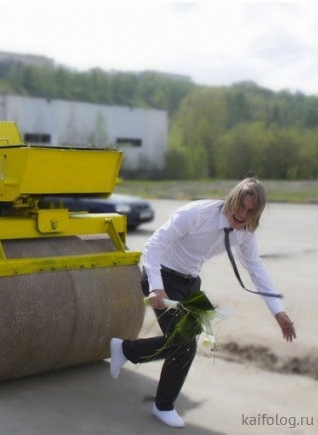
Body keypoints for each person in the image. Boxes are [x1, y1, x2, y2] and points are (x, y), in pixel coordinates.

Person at [109, 176, 296, 428]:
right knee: (184, 344)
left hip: (190, 282)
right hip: (163, 276)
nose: (243, 214)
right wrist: (156, 287)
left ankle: (126, 350)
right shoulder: (196, 214)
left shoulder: (245, 231)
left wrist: (278, 312)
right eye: (241, 206)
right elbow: (153, 245)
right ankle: (162, 405)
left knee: (188, 340)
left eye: (251, 211)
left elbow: (256, 268)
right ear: (231, 199)